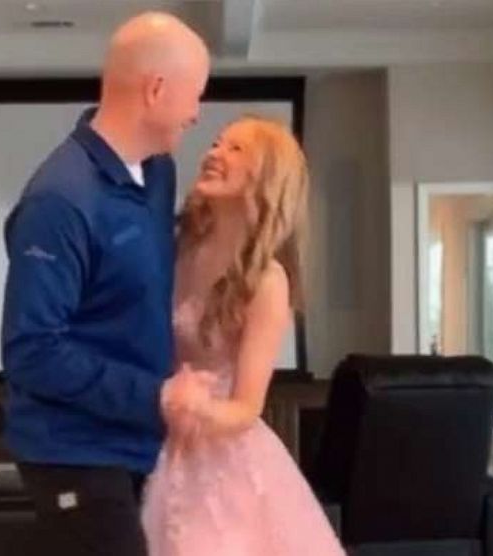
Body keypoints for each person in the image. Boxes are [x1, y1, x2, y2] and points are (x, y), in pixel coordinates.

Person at [0, 12, 211, 556]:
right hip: (74, 451)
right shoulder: (59, 200)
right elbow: (33, 350)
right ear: (157, 89)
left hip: (138, 442)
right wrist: (157, 395)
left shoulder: (158, 173)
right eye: (196, 95)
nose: (196, 113)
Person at [141, 115, 346, 555]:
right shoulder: (179, 247)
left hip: (224, 461)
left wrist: (196, 406)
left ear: (267, 178)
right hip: (163, 444)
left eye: (236, 150)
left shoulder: (267, 280)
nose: (214, 153)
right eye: (216, 143)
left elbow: (246, 409)